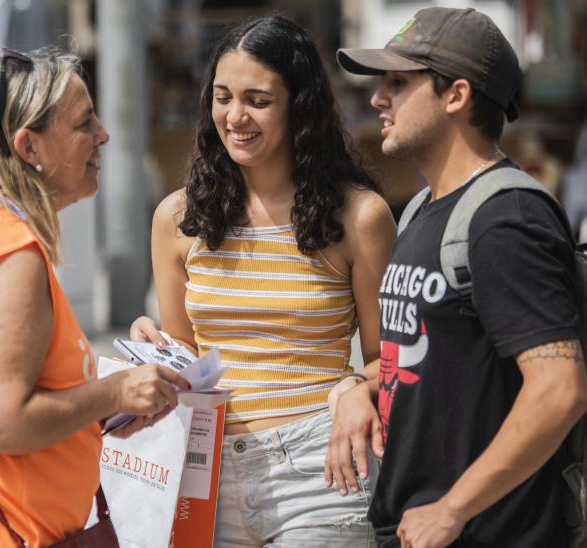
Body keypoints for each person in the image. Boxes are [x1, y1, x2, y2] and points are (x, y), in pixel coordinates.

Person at [0, 48, 189, 547]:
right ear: (29, 147)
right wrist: (116, 392)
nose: (103, 135)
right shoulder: (8, 249)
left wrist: (98, 413)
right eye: (83, 124)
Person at [130, 15, 396, 547]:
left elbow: (389, 361)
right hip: (204, 474)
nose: (235, 116)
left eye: (257, 99)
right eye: (223, 96)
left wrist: (355, 387)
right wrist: (155, 349)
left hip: (321, 469)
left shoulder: (359, 216)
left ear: (298, 107)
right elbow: (187, 351)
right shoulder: (176, 217)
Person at [332, 7, 587, 548]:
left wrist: (452, 508)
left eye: (399, 83)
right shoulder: (425, 208)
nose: (378, 99)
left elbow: (560, 391)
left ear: (456, 96)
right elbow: (439, 362)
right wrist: (361, 387)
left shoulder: (507, 217)